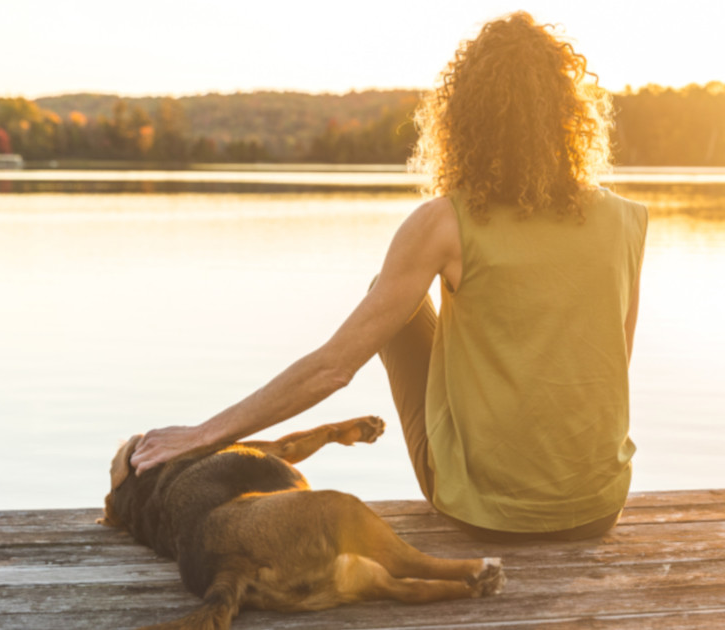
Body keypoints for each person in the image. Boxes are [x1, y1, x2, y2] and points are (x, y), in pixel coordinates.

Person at [130, 11, 648, 542]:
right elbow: (611, 364)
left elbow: (333, 369)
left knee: (389, 295)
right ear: (569, 115)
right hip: (597, 507)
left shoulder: (445, 222)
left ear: (467, 118)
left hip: (486, 513)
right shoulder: (630, 219)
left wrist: (202, 435)